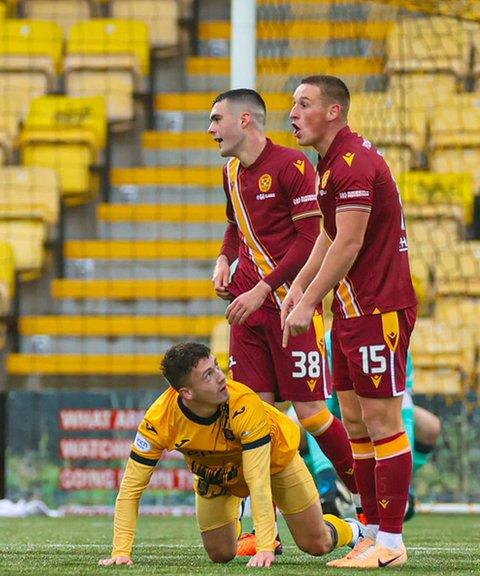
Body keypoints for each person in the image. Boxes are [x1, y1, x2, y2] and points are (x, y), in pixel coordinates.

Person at [207, 89, 358, 555]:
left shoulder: (293, 167)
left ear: (245, 120)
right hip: (248, 315)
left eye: (216, 120)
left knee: (313, 416)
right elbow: (235, 226)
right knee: (252, 418)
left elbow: (311, 239)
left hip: (291, 310)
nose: (211, 129)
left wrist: (261, 287)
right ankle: (259, 527)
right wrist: (224, 259)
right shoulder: (231, 171)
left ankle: (369, 500)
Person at [283, 75, 418, 569]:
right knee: (356, 424)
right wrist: (300, 284)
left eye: (304, 104)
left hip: (378, 307)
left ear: (334, 111)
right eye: (293, 104)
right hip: (351, 310)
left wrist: (306, 303)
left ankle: (392, 542)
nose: (293, 113)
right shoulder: (329, 164)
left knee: (383, 423)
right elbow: (328, 232)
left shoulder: (353, 163)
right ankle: (369, 531)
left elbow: (350, 243)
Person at [98, 342, 363, 569]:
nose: (221, 377)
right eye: (208, 375)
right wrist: (121, 552)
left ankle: (353, 529)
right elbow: (131, 489)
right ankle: (231, 519)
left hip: (275, 462)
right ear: (186, 393)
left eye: (217, 367)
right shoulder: (158, 419)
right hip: (215, 474)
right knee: (220, 554)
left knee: (317, 544)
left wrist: (265, 546)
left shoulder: (244, 403)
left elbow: (258, 481)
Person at [303, 334, 441, 522]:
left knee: (429, 426)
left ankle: (392, 481)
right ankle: (328, 483)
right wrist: (325, 477)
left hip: (374, 414)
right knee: (302, 421)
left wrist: (402, 486)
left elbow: (402, 413)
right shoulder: (330, 345)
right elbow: (321, 407)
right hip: (336, 414)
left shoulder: (398, 345)